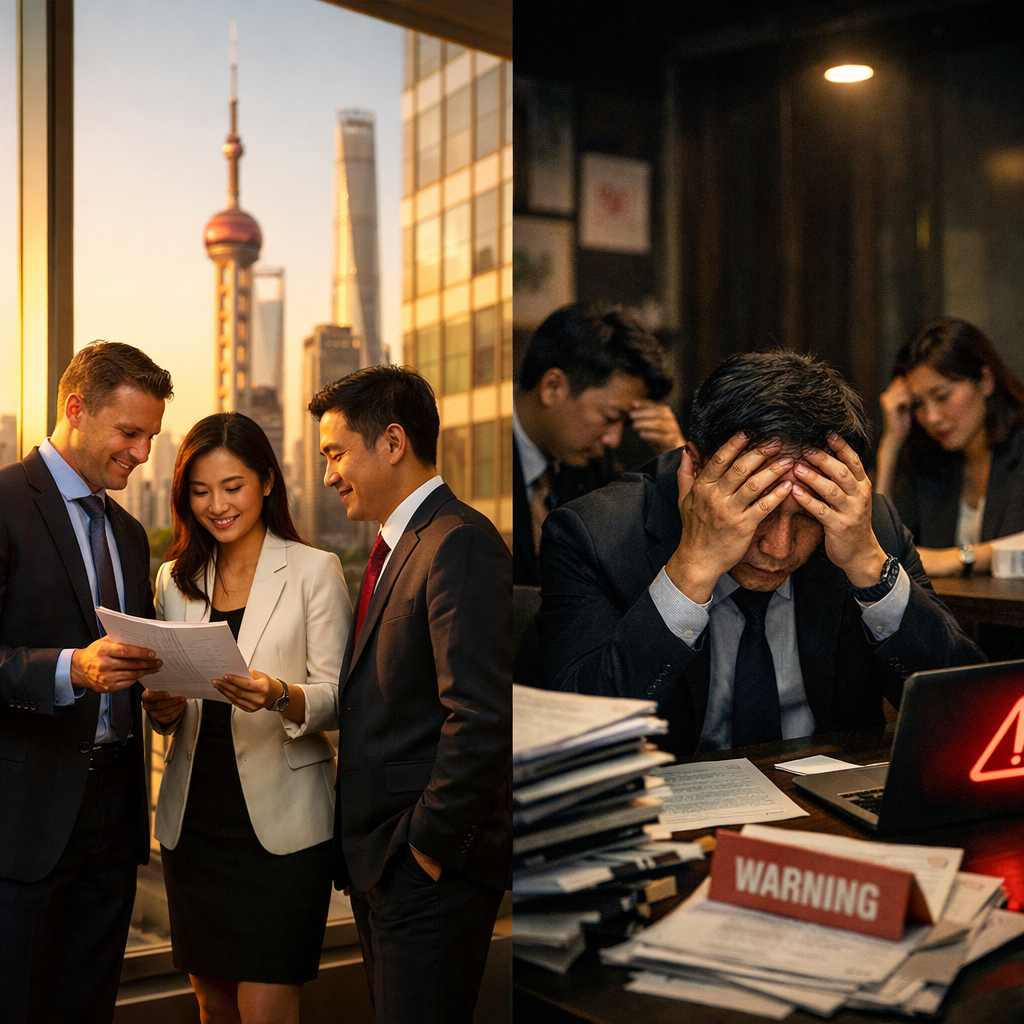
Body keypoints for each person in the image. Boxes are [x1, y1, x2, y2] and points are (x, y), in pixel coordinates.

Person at [538, 350, 984, 757]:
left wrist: (870, 568)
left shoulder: (864, 526)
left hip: (824, 809)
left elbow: (970, 710)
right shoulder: (594, 535)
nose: (779, 548)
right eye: (756, 509)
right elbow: (571, 737)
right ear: (693, 469)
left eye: (806, 517)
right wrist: (691, 570)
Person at [311, 365, 511, 1024]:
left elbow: (480, 717)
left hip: (424, 873)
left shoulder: (457, 543)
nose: (328, 474)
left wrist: (424, 849)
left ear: (392, 442)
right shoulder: (399, 547)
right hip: (385, 868)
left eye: (336, 453)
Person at [140, 413, 351, 1024]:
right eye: (200, 492)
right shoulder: (175, 580)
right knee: (212, 1000)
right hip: (196, 818)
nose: (217, 505)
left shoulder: (315, 570)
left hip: (283, 826)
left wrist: (279, 694)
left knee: (266, 1003)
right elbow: (167, 701)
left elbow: (342, 696)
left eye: (231, 487)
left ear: (265, 480)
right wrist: (163, 706)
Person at [0, 342, 172, 1024]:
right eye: (129, 434)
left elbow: (136, 652)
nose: (141, 453)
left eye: (151, 438)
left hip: (115, 813)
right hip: (24, 818)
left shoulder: (130, 533)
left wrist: (159, 691)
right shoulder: (5, 503)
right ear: (75, 408)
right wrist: (72, 668)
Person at [513, 303, 683, 585]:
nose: (613, 440)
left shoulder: (596, 470)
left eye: (625, 424)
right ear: (552, 387)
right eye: (610, 417)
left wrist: (675, 457)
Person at [875, 317, 1024, 578]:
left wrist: (958, 559)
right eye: (918, 404)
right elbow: (880, 554)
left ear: (986, 381)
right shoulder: (929, 461)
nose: (931, 417)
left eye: (942, 397)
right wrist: (890, 444)